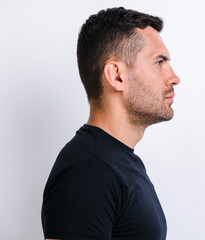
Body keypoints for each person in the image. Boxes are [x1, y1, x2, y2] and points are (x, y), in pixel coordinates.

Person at [41, 7, 180, 240]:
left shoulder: (120, 162)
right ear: (116, 75)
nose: (174, 77)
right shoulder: (88, 171)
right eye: (159, 63)